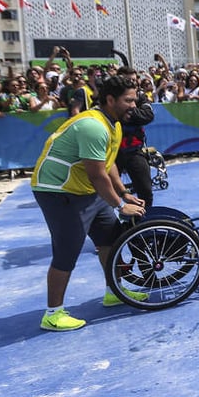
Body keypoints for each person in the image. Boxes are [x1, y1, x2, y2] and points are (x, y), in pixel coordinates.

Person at [31, 75, 146, 332]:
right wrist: (119, 205)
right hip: (58, 191)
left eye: (135, 100)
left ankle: (113, 291)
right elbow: (96, 174)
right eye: (128, 100)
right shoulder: (92, 126)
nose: (133, 105)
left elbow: (109, 164)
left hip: (86, 189)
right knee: (67, 250)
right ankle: (53, 314)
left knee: (111, 240)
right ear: (109, 99)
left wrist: (123, 192)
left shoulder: (113, 124)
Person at [115, 66, 155, 207]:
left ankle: (143, 221)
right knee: (106, 189)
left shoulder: (141, 97)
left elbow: (148, 116)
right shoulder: (111, 98)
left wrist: (129, 112)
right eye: (128, 80)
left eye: (134, 79)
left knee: (145, 190)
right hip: (113, 152)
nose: (133, 83)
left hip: (134, 151)